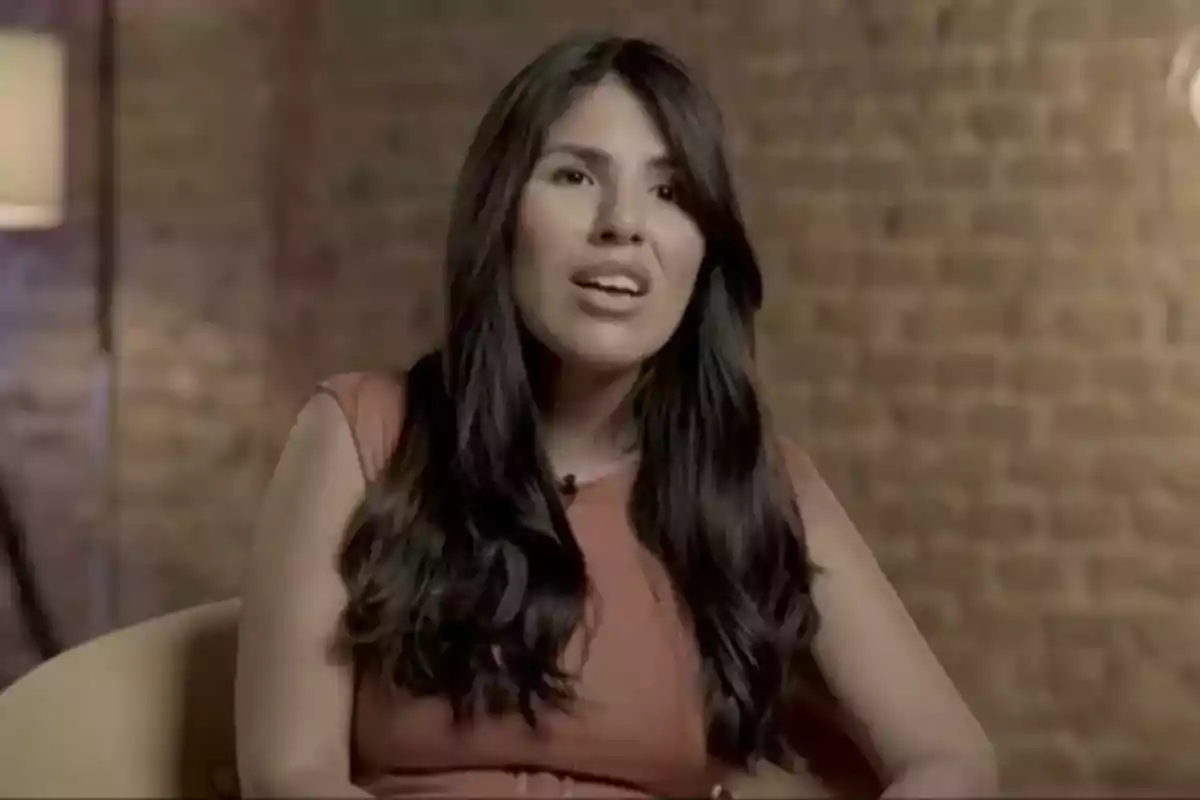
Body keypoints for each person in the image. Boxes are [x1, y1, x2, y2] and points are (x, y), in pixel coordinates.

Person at [234, 34, 998, 799]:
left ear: (705, 250)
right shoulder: (359, 435)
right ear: (500, 212)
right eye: (573, 175)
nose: (622, 224)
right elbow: (290, 776)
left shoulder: (754, 481)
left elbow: (950, 758)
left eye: (670, 192)